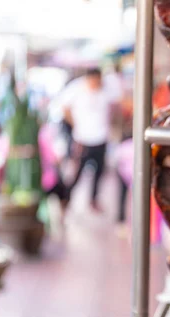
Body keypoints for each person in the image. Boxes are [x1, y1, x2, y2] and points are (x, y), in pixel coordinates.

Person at [61, 68, 118, 211]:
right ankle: (66, 198)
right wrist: (75, 123)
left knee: (99, 173)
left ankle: (93, 199)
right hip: (83, 139)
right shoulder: (77, 89)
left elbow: (117, 104)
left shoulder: (106, 90)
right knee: (77, 172)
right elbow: (64, 107)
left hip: (101, 138)